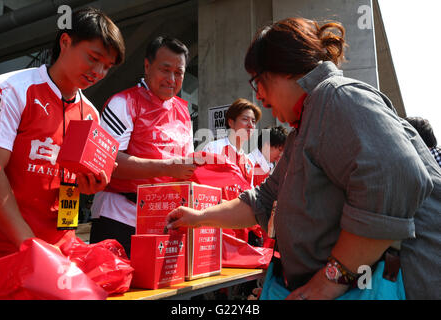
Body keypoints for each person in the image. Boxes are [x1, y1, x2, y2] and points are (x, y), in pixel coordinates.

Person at [166, 17, 441, 299]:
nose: (258, 95)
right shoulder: (305, 126)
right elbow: (263, 199)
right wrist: (199, 218)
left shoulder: (336, 98)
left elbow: (397, 176)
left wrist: (332, 277)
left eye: (258, 81)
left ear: (285, 69)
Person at [0, 7, 125, 258]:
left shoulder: (90, 115)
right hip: (5, 250)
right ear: (65, 41)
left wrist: (89, 186)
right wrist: (28, 242)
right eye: (93, 58)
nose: (98, 72)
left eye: (106, 67)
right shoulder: (10, 90)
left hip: (61, 249)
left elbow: (72, 186)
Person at [90, 36, 196, 255]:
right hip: (119, 216)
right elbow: (106, 161)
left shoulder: (184, 111)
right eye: (165, 70)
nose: (172, 79)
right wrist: (166, 167)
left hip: (164, 219)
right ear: (147, 66)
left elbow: (186, 167)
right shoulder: (123, 103)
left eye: (179, 73)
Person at [203, 98, 262, 189]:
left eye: (253, 121)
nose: (250, 125)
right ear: (231, 122)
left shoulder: (249, 162)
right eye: (245, 119)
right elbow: (202, 185)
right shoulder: (214, 148)